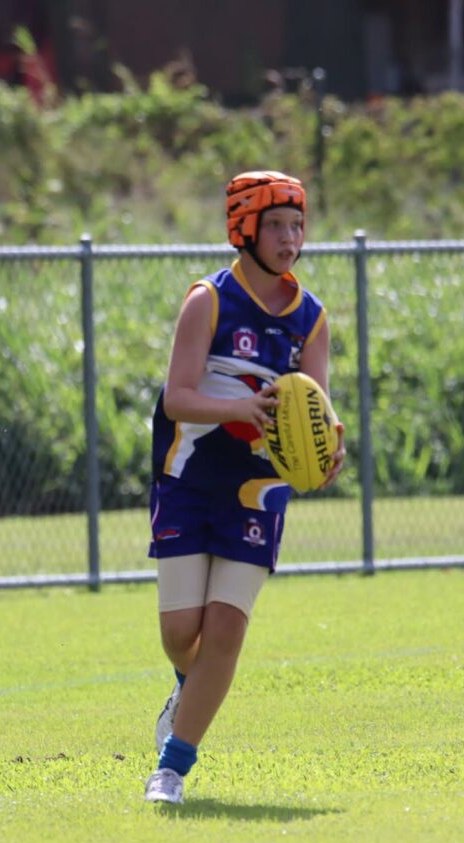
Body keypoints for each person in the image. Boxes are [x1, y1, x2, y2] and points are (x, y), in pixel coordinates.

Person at [143, 170, 346, 804]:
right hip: (189, 479)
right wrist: (238, 410)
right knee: (182, 633)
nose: (290, 238)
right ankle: (189, 687)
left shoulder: (311, 320)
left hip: (258, 491)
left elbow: (316, 408)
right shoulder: (208, 300)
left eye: (298, 225)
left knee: (227, 629)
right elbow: (177, 397)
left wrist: (328, 447)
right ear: (245, 230)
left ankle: (171, 769)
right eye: (276, 225)